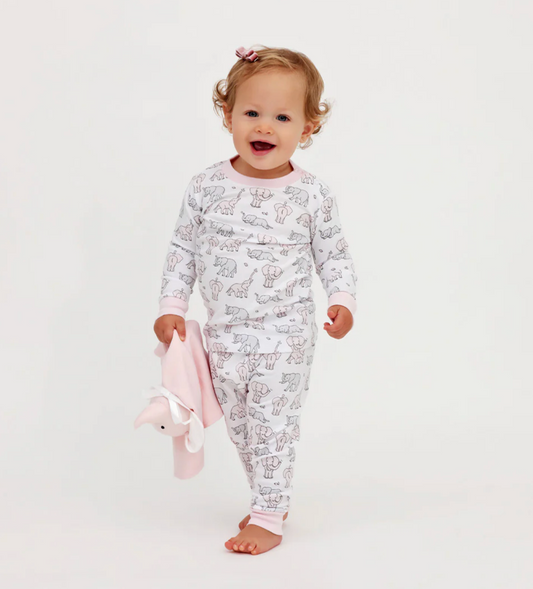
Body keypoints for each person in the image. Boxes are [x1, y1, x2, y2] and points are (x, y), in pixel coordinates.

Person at [153, 45, 358, 555]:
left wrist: (342, 298)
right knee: (242, 428)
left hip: (285, 336)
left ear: (308, 127)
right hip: (225, 335)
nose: (265, 126)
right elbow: (183, 249)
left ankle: (267, 515)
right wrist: (172, 306)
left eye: (282, 117)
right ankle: (271, 498)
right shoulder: (206, 187)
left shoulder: (311, 195)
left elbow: (333, 254)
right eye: (251, 112)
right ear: (228, 116)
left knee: (272, 424)